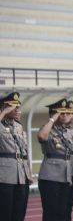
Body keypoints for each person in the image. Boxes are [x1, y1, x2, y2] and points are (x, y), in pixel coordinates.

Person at [37, 98, 73, 221]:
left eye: (65, 113)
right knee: (50, 212)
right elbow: (42, 137)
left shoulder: (66, 131)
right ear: (54, 114)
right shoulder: (47, 128)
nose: (64, 115)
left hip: (65, 176)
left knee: (62, 212)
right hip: (50, 176)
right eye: (61, 112)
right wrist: (52, 119)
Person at [0, 92, 32, 221]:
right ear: (4, 107)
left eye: (17, 107)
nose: (16, 109)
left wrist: (28, 173)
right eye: (12, 106)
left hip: (21, 175)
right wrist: (2, 113)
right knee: (4, 212)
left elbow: (24, 152)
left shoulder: (18, 126)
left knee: (19, 212)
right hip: (5, 176)